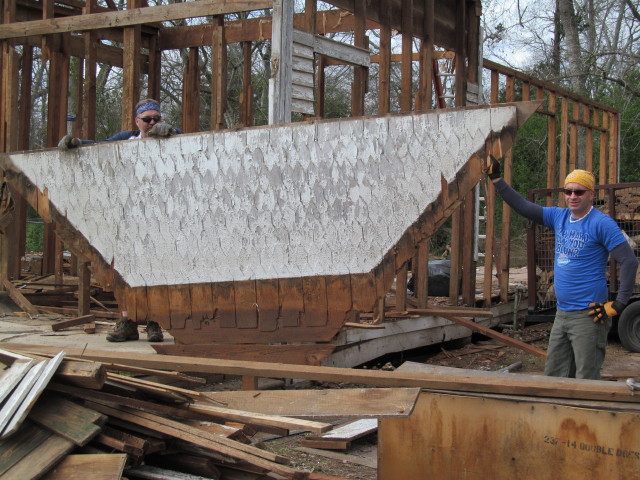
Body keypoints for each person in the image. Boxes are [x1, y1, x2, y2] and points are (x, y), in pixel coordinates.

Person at [486, 157, 638, 380]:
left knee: (586, 378)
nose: (573, 196)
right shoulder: (559, 217)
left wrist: (618, 304)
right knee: (555, 375)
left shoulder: (601, 223)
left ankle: (585, 414)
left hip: (589, 316)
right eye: (568, 192)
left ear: (591, 194)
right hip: (562, 313)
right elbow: (523, 206)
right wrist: (496, 178)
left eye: (579, 192)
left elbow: (629, 260)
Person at [59, 99, 182, 343]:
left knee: (156, 271)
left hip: (160, 216)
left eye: (157, 118)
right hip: (127, 216)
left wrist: (173, 133)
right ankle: (127, 322)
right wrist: (76, 144)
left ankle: (154, 324)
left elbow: (194, 144)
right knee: (125, 272)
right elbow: (98, 147)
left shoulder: (171, 140)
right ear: (137, 122)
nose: (152, 123)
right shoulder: (126, 139)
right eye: (147, 119)